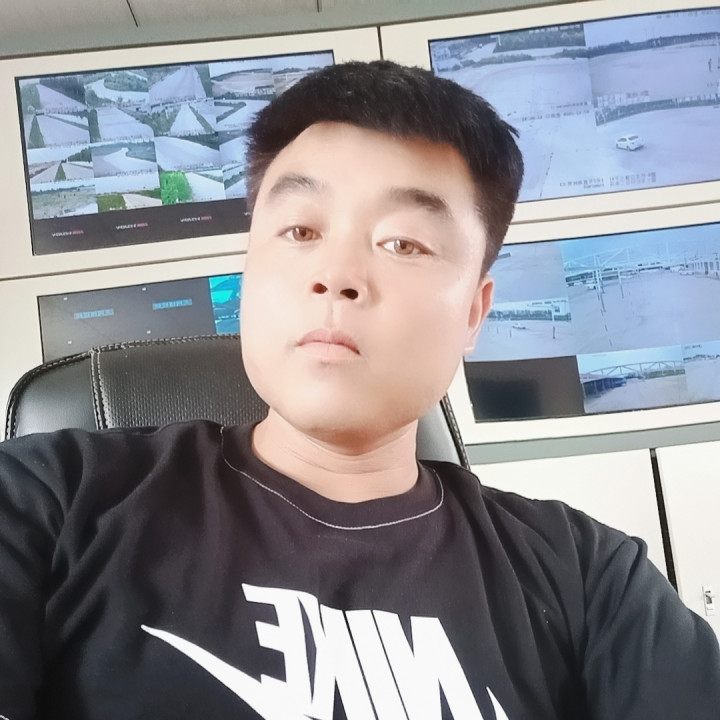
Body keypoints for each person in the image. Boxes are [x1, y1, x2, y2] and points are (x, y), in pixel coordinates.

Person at [1, 60, 718, 720]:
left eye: (403, 243)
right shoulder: (48, 500)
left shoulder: (589, 580)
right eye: (298, 230)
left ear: (473, 313)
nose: (336, 274)